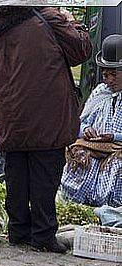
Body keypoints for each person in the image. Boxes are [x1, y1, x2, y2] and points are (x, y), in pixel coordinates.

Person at [0, 6, 92, 253]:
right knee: (45, 171)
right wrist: (74, 24)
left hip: (10, 109)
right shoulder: (47, 17)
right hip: (46, 107)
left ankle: (18, 229)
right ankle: (43, 233)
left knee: (16, 168)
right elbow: (81, 51)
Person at [61, 34, 122, 207]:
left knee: (116, 166)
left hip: (117, 150)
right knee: (80, 158)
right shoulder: (100, 92)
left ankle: (111, 208)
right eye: (105, 74)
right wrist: (86, 129)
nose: (109, 79)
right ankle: (78, 205)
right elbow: (80, 123)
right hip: (96, 147)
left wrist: (114, 137)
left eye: (114, 74)